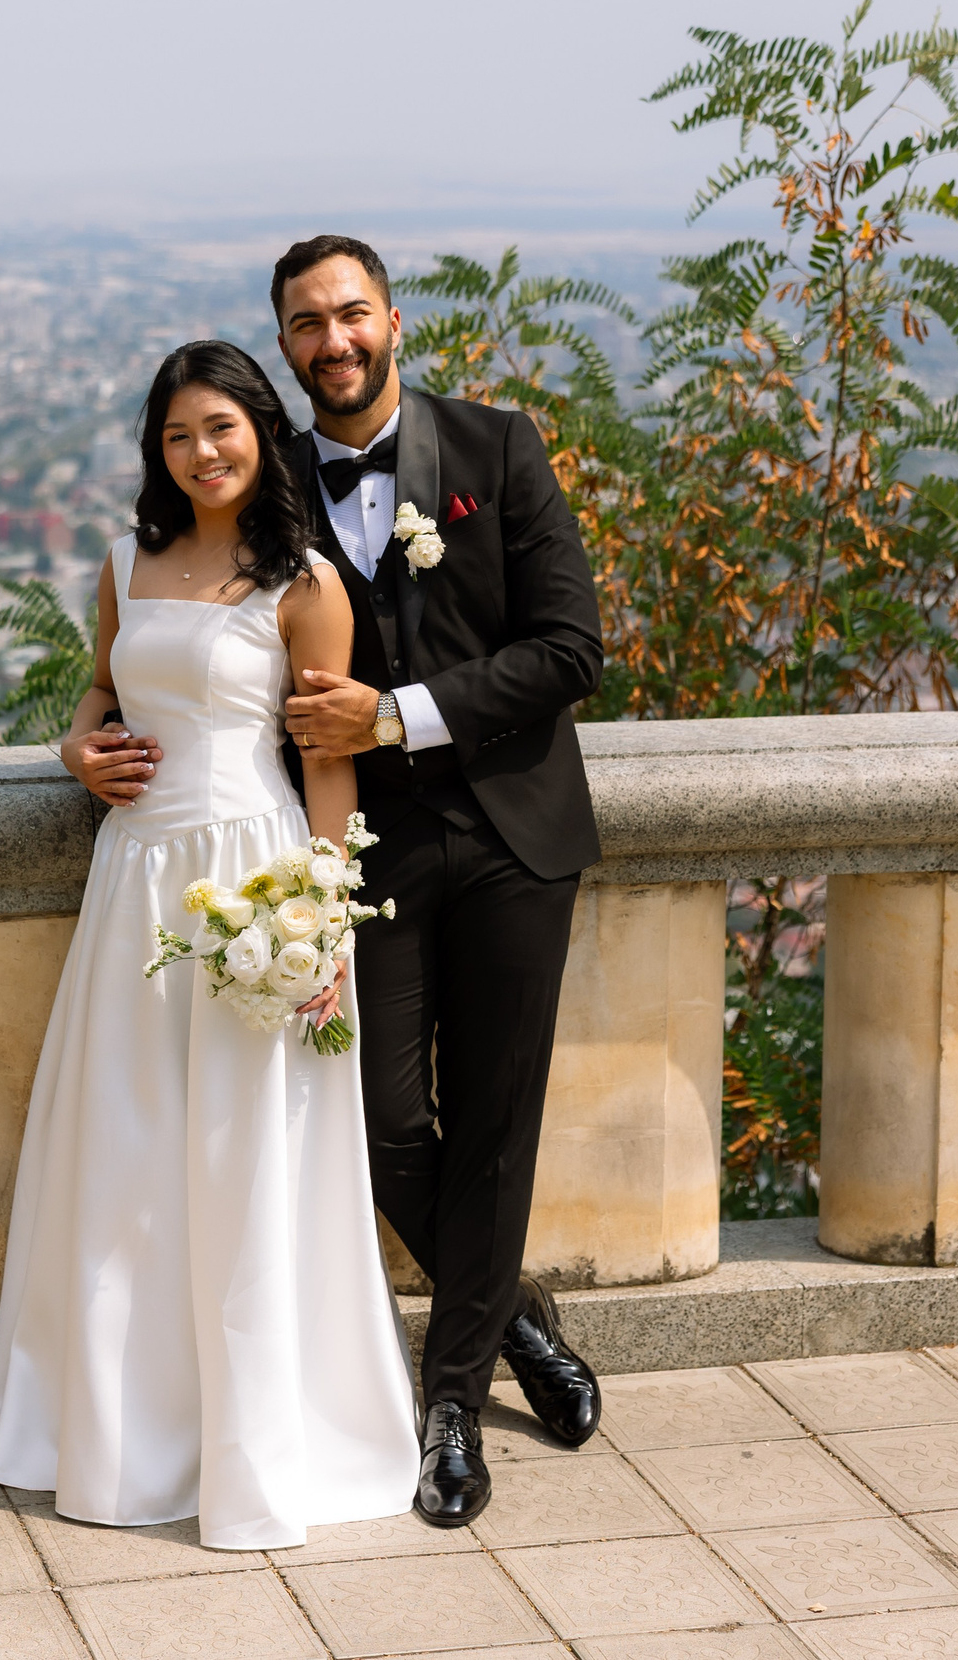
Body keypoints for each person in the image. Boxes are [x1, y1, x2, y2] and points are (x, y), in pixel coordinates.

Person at [0, 339, 420, 1550]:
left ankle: (254, 1436)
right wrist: (77, 752)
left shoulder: (306, 582)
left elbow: (328, 761)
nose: (199, 453)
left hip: (252, 872)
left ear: (258, 433)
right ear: (155, 454)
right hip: (134, 881)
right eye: (175, 437)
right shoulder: (127, 561)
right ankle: (128, 1430)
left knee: (242, 1154)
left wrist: (322, 914)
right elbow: (98, 695)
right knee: (125, 1149)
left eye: (218, 428)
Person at [275, 234, 607, 1526]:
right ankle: (516, 1319)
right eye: (307, 323)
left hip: (519, 833)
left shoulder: (498, 446)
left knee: (497, 1115)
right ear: (288, 346)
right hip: (377, 852)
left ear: (394, 319)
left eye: (351, 312)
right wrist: (93, 735)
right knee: (380, 1121)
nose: (334, 340)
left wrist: (398, 712)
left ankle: (450, 1404)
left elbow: (572, 647)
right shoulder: (275, 488)